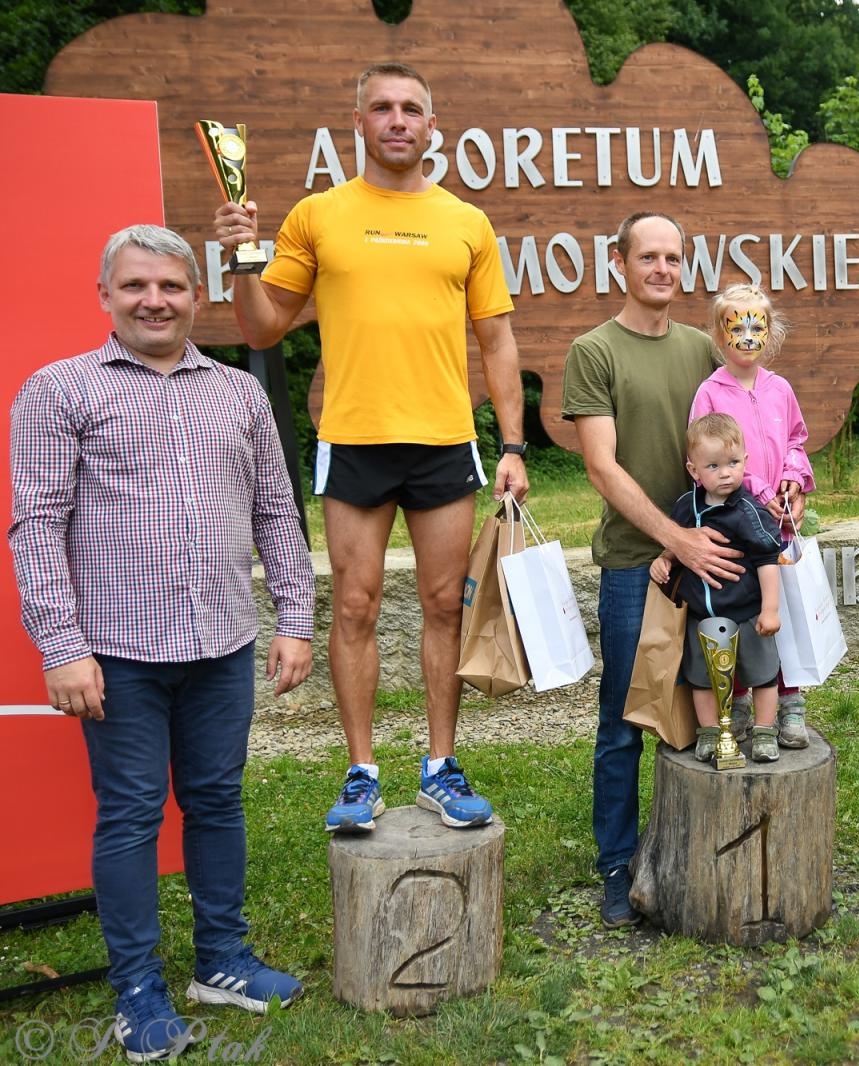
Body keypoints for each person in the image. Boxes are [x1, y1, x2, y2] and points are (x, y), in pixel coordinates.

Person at [8, 225, 315, 1060]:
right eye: (137, 285)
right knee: (132, 814)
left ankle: (221, 960)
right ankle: (138, 988)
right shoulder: (59, 391)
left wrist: (295, 618)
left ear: (195, 295)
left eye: (172, 286)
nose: (155, 301)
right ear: (105, 295)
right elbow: (36, 527)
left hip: (222, 643)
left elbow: (275, 511)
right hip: (118, 655)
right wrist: (62, 647)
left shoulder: (239, 394)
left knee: (217, 800)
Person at [213, 62, 528, 834]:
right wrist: (241, 258)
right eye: (382, 107)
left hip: (443, 441)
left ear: (432, 126)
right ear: (357, 122)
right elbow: (262, 327)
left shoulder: (467, 222)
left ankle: (441, 768)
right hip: (354, 439)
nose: (397, 120)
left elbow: (497, 341)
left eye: (411, 108)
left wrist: (514, 444)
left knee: (442, 607)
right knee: (354, 606)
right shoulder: (318, 216)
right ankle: (361, 774)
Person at [561, 211, 737, 927]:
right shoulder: (594, 352)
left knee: (710, 705)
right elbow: (602, 468)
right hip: (639, 565)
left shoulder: (703, 349)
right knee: (624, 719)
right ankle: (618, 863)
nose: (662, 269)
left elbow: (743, 434)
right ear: (620, 263)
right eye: (648, 257)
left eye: (673, 257)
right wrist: (675, 540)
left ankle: (700, 850)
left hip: (714, 558)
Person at [690, 283, 816, 748]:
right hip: (736, 526)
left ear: (770, 331)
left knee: (783, 614)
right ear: (718, 334)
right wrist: (758, 492)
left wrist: (794, 481)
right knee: (743, 611)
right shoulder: (709, 393)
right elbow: (703, 454)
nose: (747, 337)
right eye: (735, 327)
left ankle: (791, 701)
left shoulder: (780, 389)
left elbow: (796, 440)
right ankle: (739, 698)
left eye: (755, 326)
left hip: (779, 525)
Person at [651, 414, 787, 762]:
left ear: (745, 461)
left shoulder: (748, 511)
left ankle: (765, 730)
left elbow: (767, 560)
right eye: (713, 466)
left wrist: (770, 609)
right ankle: (711, 732)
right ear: (694, 470)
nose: (725, 473)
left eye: (733, 463)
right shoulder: (687, 507)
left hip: (747, 613)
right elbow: (677, 542)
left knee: (763, 673)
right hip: (701, 616)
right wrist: (664, 559)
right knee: (701, 677)